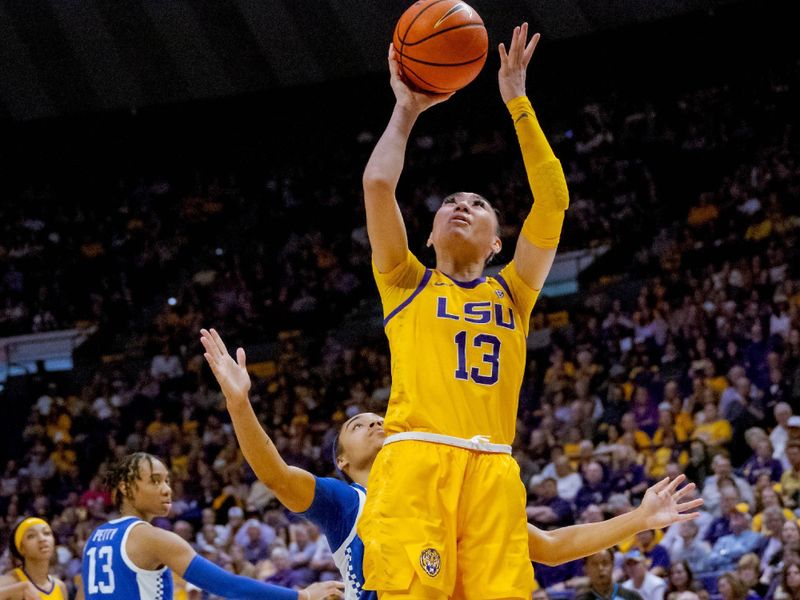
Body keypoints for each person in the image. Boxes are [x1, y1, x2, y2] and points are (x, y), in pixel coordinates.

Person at [201, 328, 703, 600]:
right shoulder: (344, 502)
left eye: (381, 420)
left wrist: (640, 519)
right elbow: (274, 476)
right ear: (341, 460)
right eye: (359, 425)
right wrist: (240, 404)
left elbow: (549, 548)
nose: (376, 425)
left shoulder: (450, 490)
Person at [359, 21, 570, 599]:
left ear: (497, 243)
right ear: (426, 236)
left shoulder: (515, 292)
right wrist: (406, 110)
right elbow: (378, 185)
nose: (461, 206)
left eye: (478, 205)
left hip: (494, 471)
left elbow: (552, 202)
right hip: (417, 464)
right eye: (450, 202)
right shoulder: (404, 281)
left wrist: (519, 103)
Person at [81, 452, 343, 600]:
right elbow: (228, 585)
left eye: (167, 481)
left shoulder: (96, 537)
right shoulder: (152, 538)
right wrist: (303, 597)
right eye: (155, 481)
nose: (166, 490)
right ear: (126, 488)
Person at [0, 517, 68, 600]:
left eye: (46, 533)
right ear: (21, 548)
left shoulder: (60, 586)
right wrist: (21, 587)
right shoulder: (10, 581)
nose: (42, 539)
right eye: (31, 536)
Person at [575, 549, 643, 600]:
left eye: (605, 563)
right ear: (586, 568)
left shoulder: (631, 596)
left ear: (613, 565)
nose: (600, 568)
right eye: (594, 564)